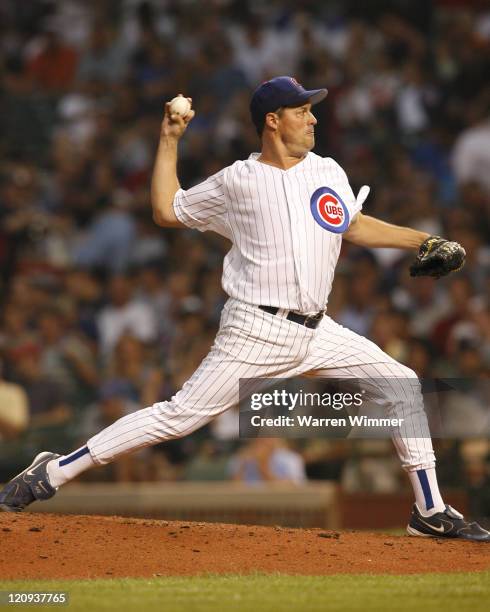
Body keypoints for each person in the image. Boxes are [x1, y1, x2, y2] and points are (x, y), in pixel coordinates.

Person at [0, 76, 487, 541]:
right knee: (178, 417)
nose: (313, 119)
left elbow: (353, 226)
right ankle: (55, 469)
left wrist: (423, 239)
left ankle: (429, 510)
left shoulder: (327, 169)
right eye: (303, 111)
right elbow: (168, 211)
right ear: (273, 121)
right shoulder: (239, 180)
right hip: (256, 329)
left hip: (319, 330)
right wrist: (170, 138)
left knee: (402, 385)